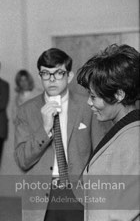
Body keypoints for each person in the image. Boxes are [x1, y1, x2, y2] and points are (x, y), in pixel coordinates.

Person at [14, 48, 109, 221]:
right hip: (41, 196)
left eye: (58, 73)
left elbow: (101, 155)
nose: (51, 80)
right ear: (39, 75)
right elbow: (22, 160)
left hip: (79, 193)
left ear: (69, 76)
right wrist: (45, 129)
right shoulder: (26, 111)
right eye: (45, 74)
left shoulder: (87, 106)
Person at [77, 44, 140, 221]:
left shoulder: (133, 140)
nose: (89, 103)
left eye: (94, 96)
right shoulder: (122, 130)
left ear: (119, 95)